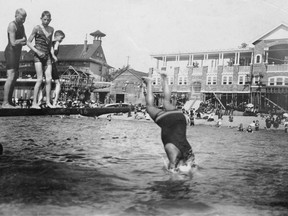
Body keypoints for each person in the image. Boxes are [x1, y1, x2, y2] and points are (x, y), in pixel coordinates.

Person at [142, 72, 195, 172]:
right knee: (150, 106)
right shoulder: (174, 153)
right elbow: (175, 172)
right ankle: (149, 83)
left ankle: (164, 79)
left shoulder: (189, 153)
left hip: (180, 117)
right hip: (170, 120)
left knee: (165, 102)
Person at [27, 11, 54, 109]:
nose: (46, 21)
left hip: (47, 56)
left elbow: (50, 44)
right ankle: (34, 103)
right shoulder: (37, 28)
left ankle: (48, 102)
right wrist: (37, 51)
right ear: (41, 19)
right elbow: (28, 42)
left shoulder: (51, 29)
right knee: (39, 79)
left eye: (48, 20)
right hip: (38, 55)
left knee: (49, 79)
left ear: (50, 20)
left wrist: (53, 54)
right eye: (44, 19)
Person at [2, 8, 27, 108]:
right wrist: (22, 40)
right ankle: (5, 103)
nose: (23, 20)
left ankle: (9, 101)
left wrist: (21, 41)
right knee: (11, 76)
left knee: (15, 77)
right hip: (10, 52)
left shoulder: (22, 26)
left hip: (17, 53)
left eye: (25, 18)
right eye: (21, 18)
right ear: (16, 15)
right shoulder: (12, 25)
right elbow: (13, 42)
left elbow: (25, 41)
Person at [50, 30, 65, 107]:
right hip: (50, 64)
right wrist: (53, 56)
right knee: (56, 83)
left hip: (52, 64)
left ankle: (53, 101)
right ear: (57, 36)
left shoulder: (57, 44)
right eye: (61, 38)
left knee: (50, 83)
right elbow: (51, 51)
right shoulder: (52, 42)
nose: (62, 40)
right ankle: (54, 102)